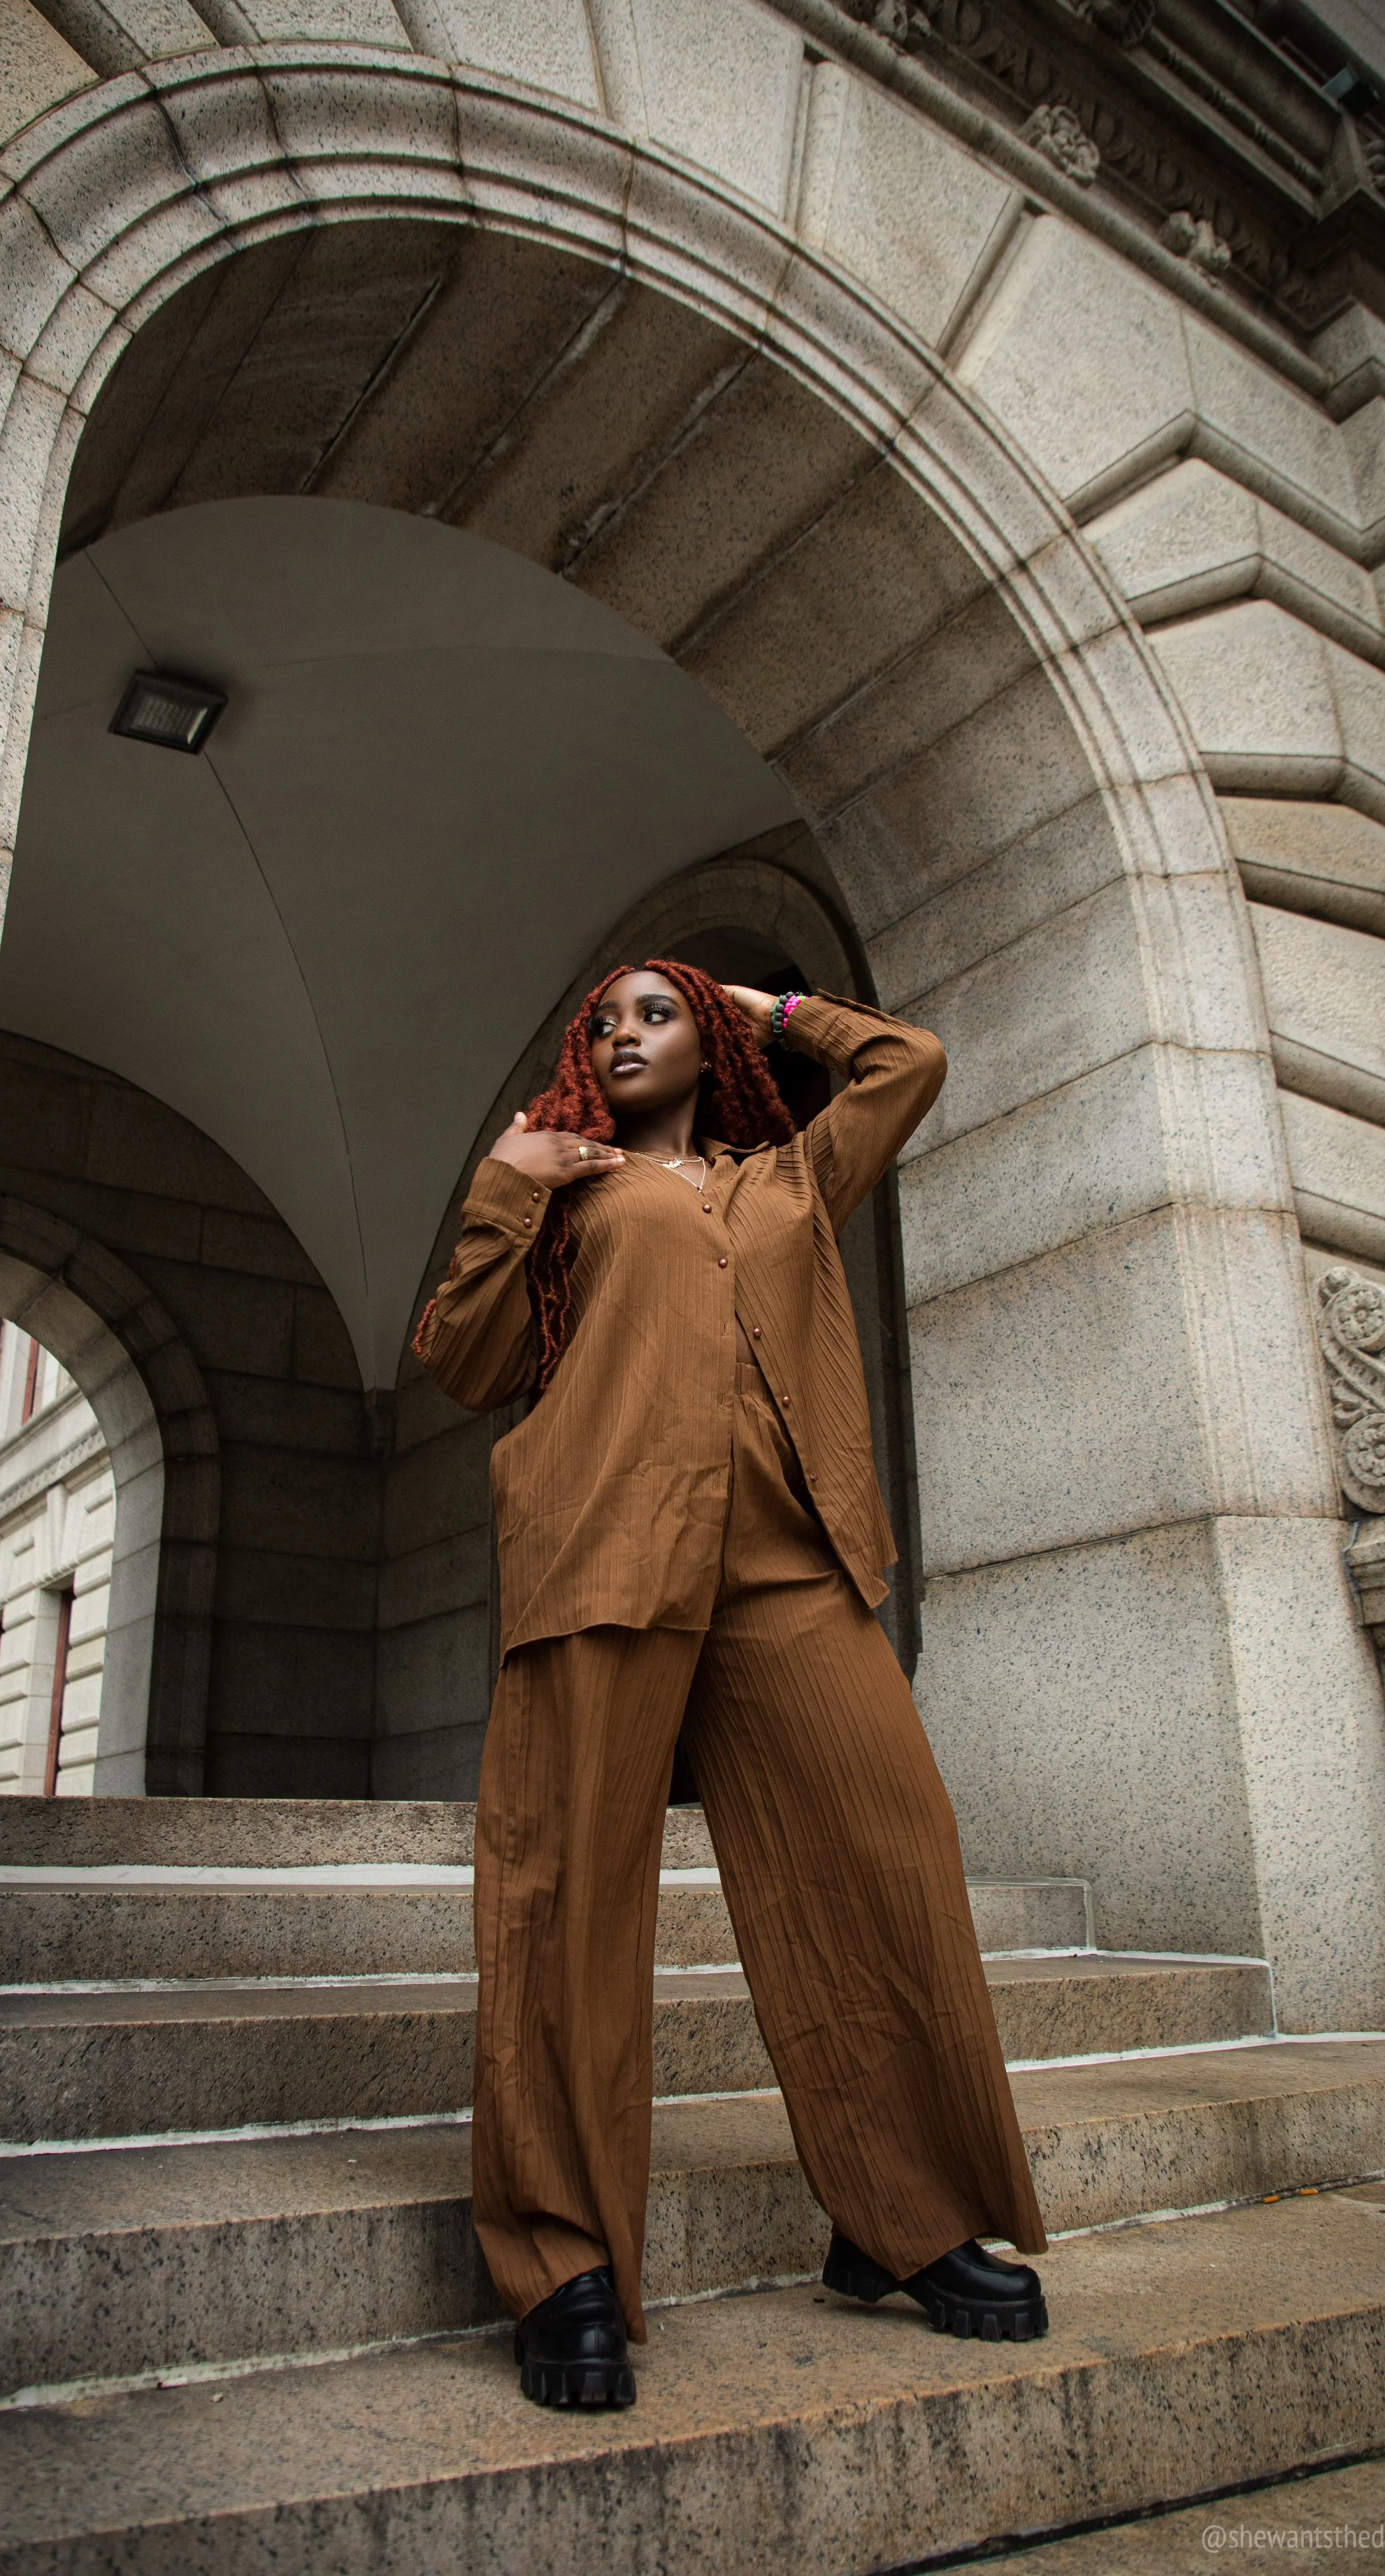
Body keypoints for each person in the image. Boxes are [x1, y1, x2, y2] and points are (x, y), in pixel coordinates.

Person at [413, 958, 1047, 2410]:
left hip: (789, 1564)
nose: (625, 1035)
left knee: (883, 1859)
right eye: (602, 1023)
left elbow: (907, 1062)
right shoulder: (565, 1192)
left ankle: (905, 2218)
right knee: (565, 1893)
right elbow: (463, 1361)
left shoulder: (784, 1182)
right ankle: (562, 2261)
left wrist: (768, 1006)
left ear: (704, 1040)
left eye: (655, 1012)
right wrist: (512, 1181)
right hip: (604, 1542)